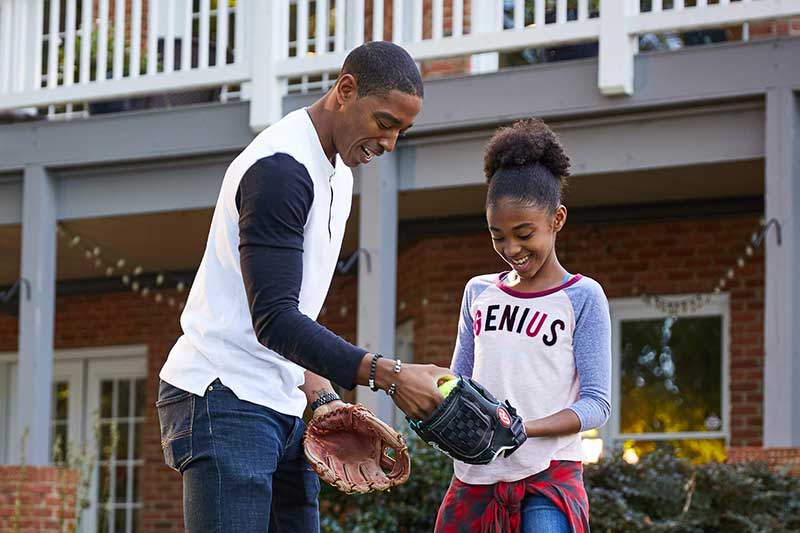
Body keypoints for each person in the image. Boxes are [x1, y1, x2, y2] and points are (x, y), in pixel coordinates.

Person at [156, 41, 449, 533]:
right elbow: (273, 319)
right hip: (224, 394)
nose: (391, 143)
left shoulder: (337, 169)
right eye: (384, 122)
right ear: (345, 90)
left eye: (403, 130)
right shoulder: (281, 169)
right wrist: (390, 375)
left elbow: (294, 314)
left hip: (283, 399)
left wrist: (323, 398)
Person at [434, 118, 612, 533]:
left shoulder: (583, 297)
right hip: (476, 475)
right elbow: (458, 383)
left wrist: (519, 429)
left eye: (524, 233)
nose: (511, 249)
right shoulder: (479, 293)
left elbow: (596, 404)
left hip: (548, 475)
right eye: (498, 236)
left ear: (557, 219)